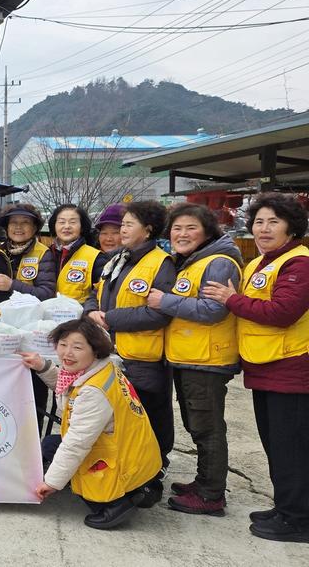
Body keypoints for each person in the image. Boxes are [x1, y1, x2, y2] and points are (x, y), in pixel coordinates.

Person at [203, 193, 309, 543]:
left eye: (273, 222)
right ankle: (286, 507)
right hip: (265, 366)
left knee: (292, 447)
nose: (264, 229)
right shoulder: (261, 263)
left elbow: (283, 312)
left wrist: (231, 299)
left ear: (291, 227)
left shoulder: (299, 263)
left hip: (291, 368)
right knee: (276, 444)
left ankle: (299, 520)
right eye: (259, 222)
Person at [146, 203, 242, 517]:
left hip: (208, 359)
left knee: (207, 427)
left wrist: (165, 301)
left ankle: (211, 495)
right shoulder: (194, 261)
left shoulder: (218, 262)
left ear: (207, 231)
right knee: (197, 424)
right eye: (177, 228)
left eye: (191, 228)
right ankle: (203, 482)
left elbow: (214, 311)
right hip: (191, 357)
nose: (182, 234)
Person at [23, 319, 161, 530]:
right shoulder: (102, 369)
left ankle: (116, 504)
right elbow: (70, 388)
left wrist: (51, 483)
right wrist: (43, 367)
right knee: (51, 444)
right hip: (135, 452)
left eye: (77, 347)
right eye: (63, 344)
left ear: (95, 350)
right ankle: (139, 488)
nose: (67, 353)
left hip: (123, 460)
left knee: (81, 474)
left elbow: (77, 443)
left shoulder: (94, 391)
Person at [85, 200, 176, 494]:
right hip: (112, 354)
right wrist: (91, 311)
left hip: (144, 358)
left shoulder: (161, 263)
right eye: (122, 225)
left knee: (148, 418)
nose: (121, 230)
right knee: (121, 421)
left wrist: (110, 318)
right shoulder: (117, 259)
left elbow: (160, 313)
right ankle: (126, 477)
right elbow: (96, 292)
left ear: (147, 230)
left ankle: (152, 476)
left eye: (128, 224)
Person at [0, 203, 56, 301]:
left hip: (30, 309)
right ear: (7, 227)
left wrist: (12, 285)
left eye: (25, 222)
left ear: (34, 228)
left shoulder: (43, 253)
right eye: (13, 222)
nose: (18, 227)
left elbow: (46, 293)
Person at [49, 204, 108, 303]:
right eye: (61, 222)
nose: (67, 226)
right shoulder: (46, 254)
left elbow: (101, 295)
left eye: (73, 222)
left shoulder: (96, 258)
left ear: (82, 227)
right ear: (54, 226)